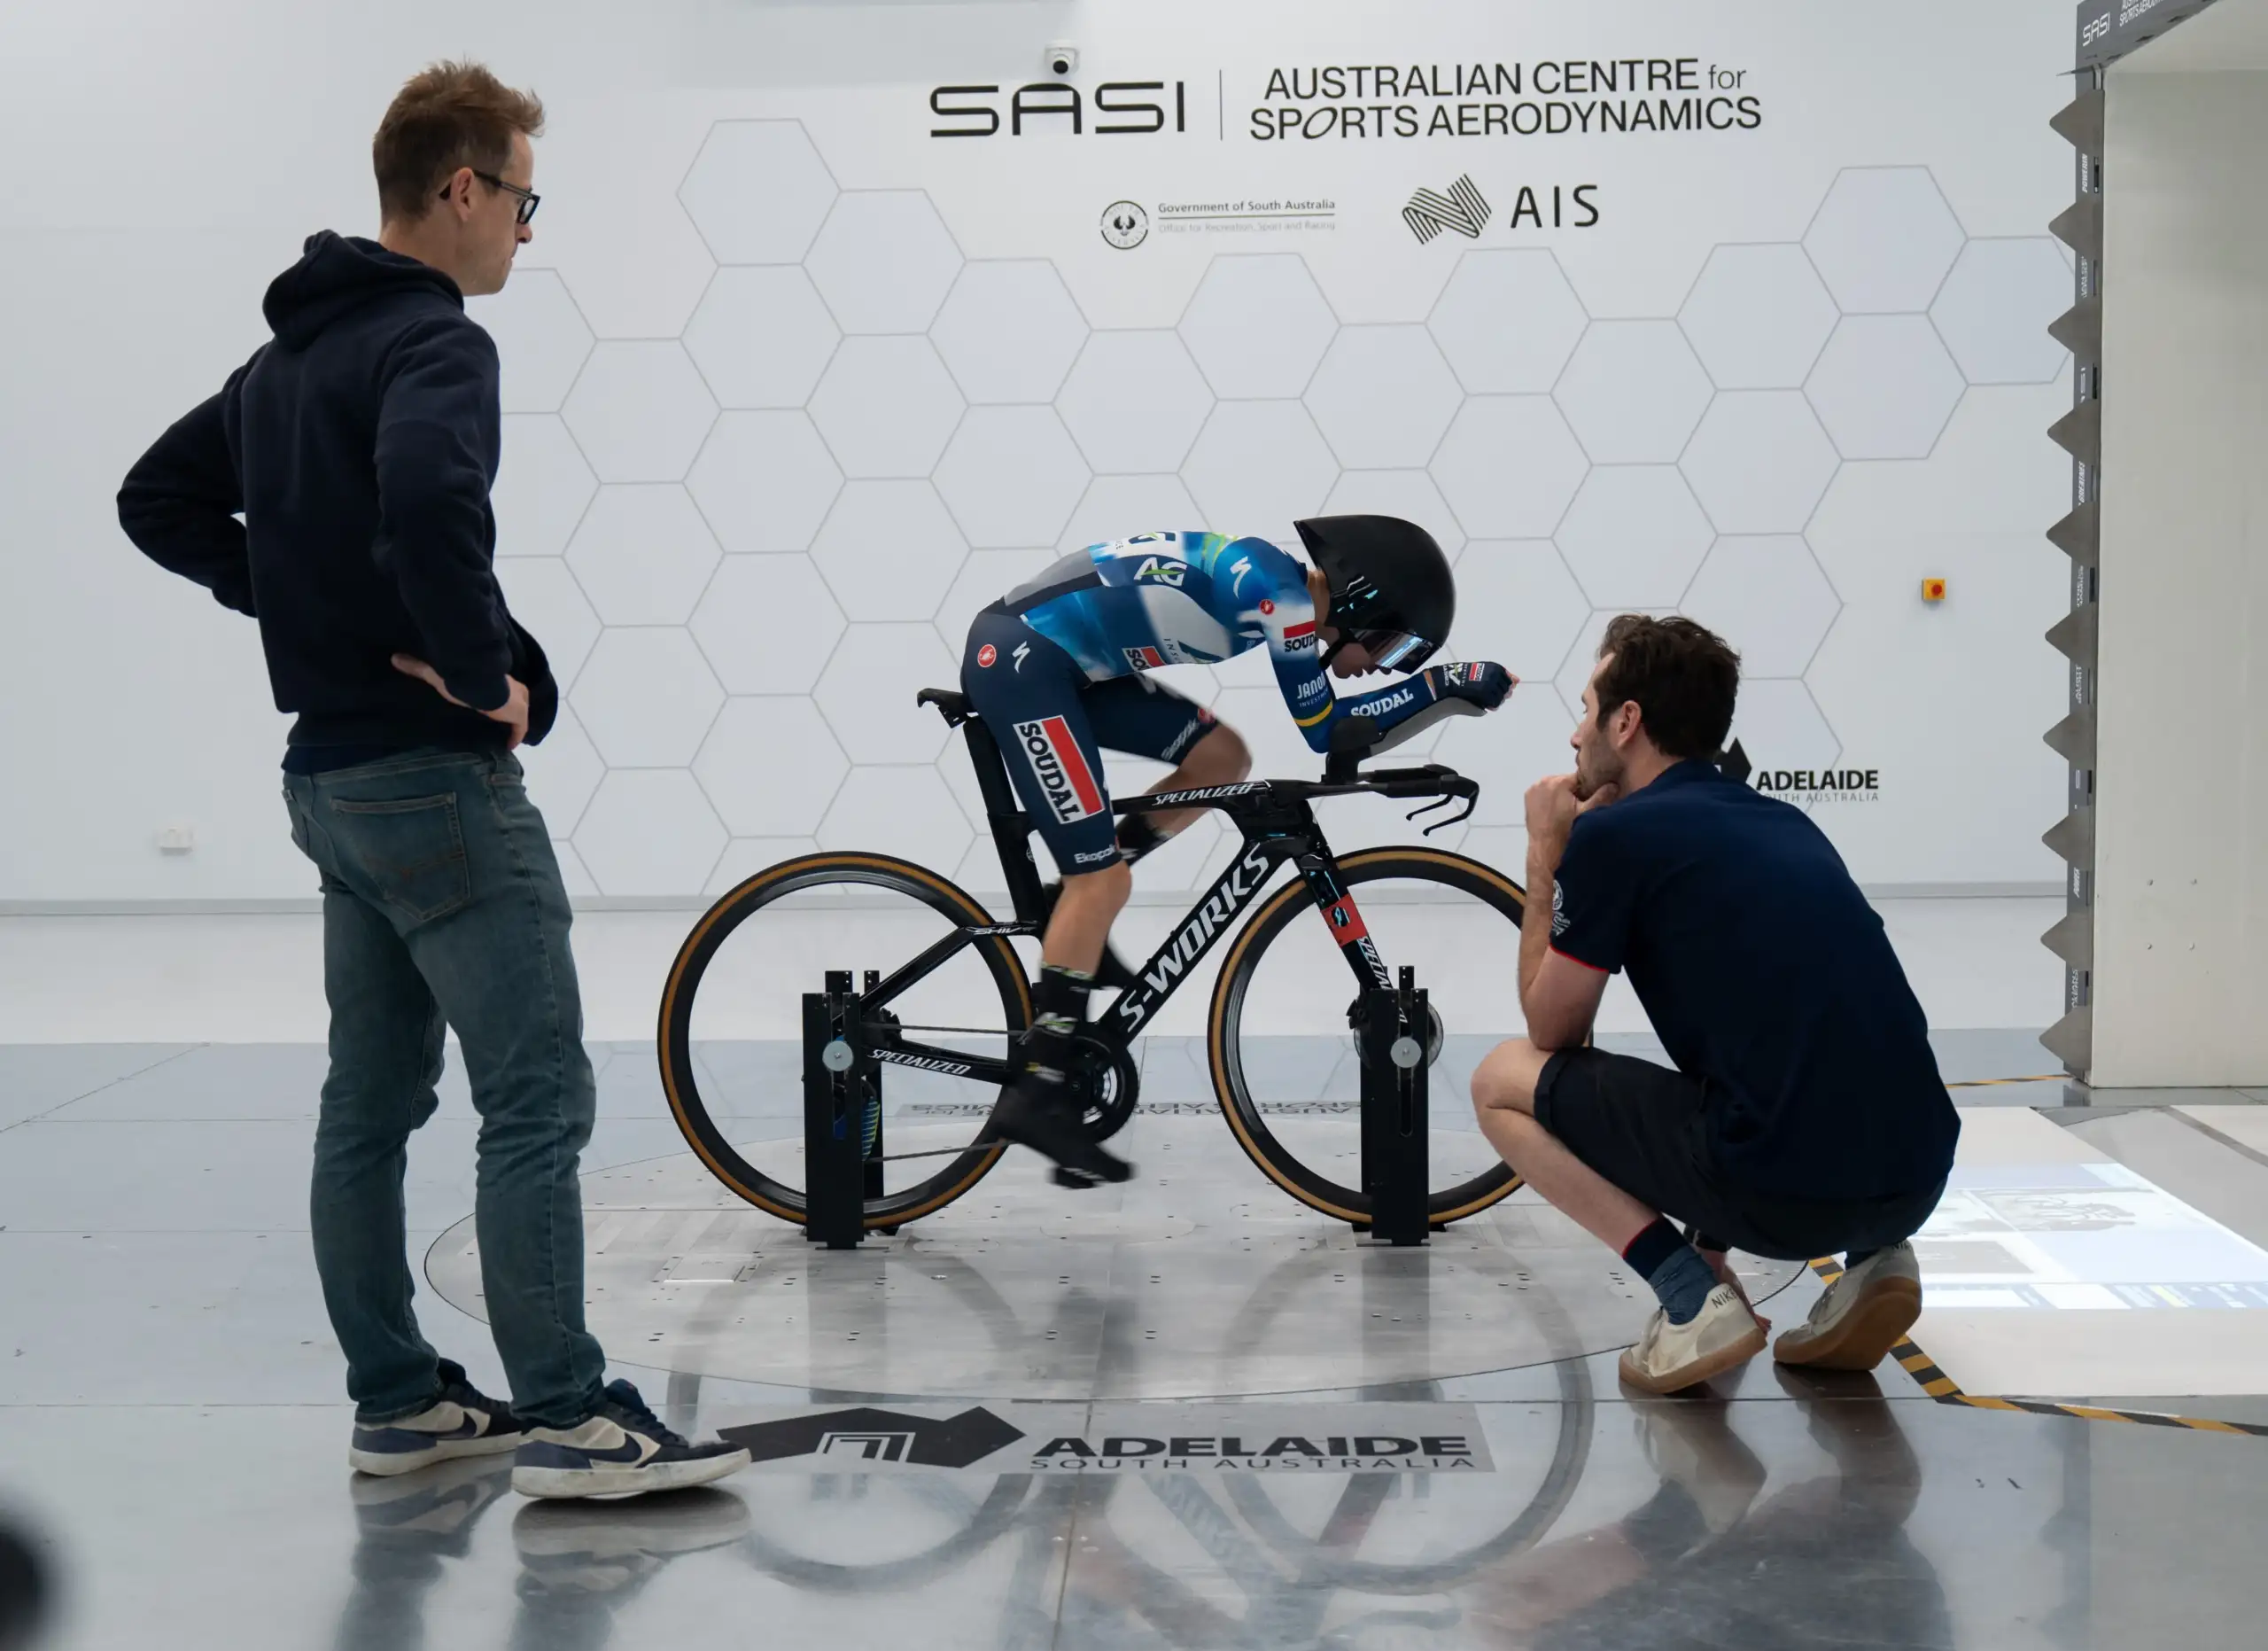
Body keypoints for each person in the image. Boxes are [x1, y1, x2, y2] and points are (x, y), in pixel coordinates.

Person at [114, 60, 747, 1499]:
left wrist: (301, 612)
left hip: (328, 782)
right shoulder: (435, 345)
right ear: (461, 189)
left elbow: (155, 501)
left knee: (372, 1101)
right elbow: (429, 492)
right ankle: (574, 1416)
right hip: (434, 781)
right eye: (526, 200)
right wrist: (473, 670)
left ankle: (399, 1402)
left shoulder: (280, 367)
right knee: (535, 1097)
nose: (530, 229)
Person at [1470, 615, 1958, 1393]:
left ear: (1626, 722)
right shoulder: (1782, 820)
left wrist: (1544, 853)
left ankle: (1690, 1299)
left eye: (1588, 707)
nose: (1575, 735)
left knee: (1500, 1078)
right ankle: (1877, 1264)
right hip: (1919, 1175)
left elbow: (1550, 1029)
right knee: (1762, 1061)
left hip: (1785, 1186)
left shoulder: (1616, 838)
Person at [960, 516, 1515, 1187]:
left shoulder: (1274, 586)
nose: (1376, 666)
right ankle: (1038, 1090)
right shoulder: (1279, 599)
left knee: (1222, 758)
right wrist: (1447, 684)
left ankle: (1070, 906)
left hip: (1065, 661)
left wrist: (1440, 694)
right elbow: (1330, 732)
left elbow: (1338, 729)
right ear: (1359, 598)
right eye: (1390, 646)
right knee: (1100, 885)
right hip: (1024, 663)